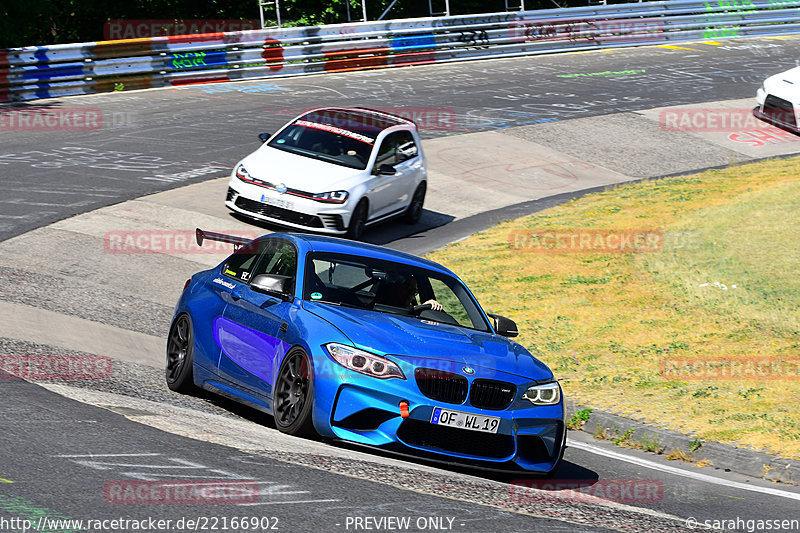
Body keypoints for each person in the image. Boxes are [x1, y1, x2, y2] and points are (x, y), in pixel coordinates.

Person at [376, 273, 442, 311]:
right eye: (408, 289)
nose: (411, 294)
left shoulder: (411, 310)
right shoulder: (377, 307)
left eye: (414, 292)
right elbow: (398, 310)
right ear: (395, 288)